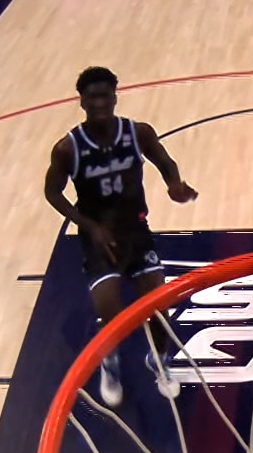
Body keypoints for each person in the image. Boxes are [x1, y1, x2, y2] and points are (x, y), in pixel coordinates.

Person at [44, 66, 198, 406]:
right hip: (99, 240)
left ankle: (160, 361)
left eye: (105, 95)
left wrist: (174, 183)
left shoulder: (137, 133)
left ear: (115, 97)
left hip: (136, 232)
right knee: (111, 309)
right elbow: (52, 193)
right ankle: (110, 363)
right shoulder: (67, 149)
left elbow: (164, 161)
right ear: (82, 101)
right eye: (92, 96)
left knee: (158, 304)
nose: (99, 102)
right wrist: (90, 226)